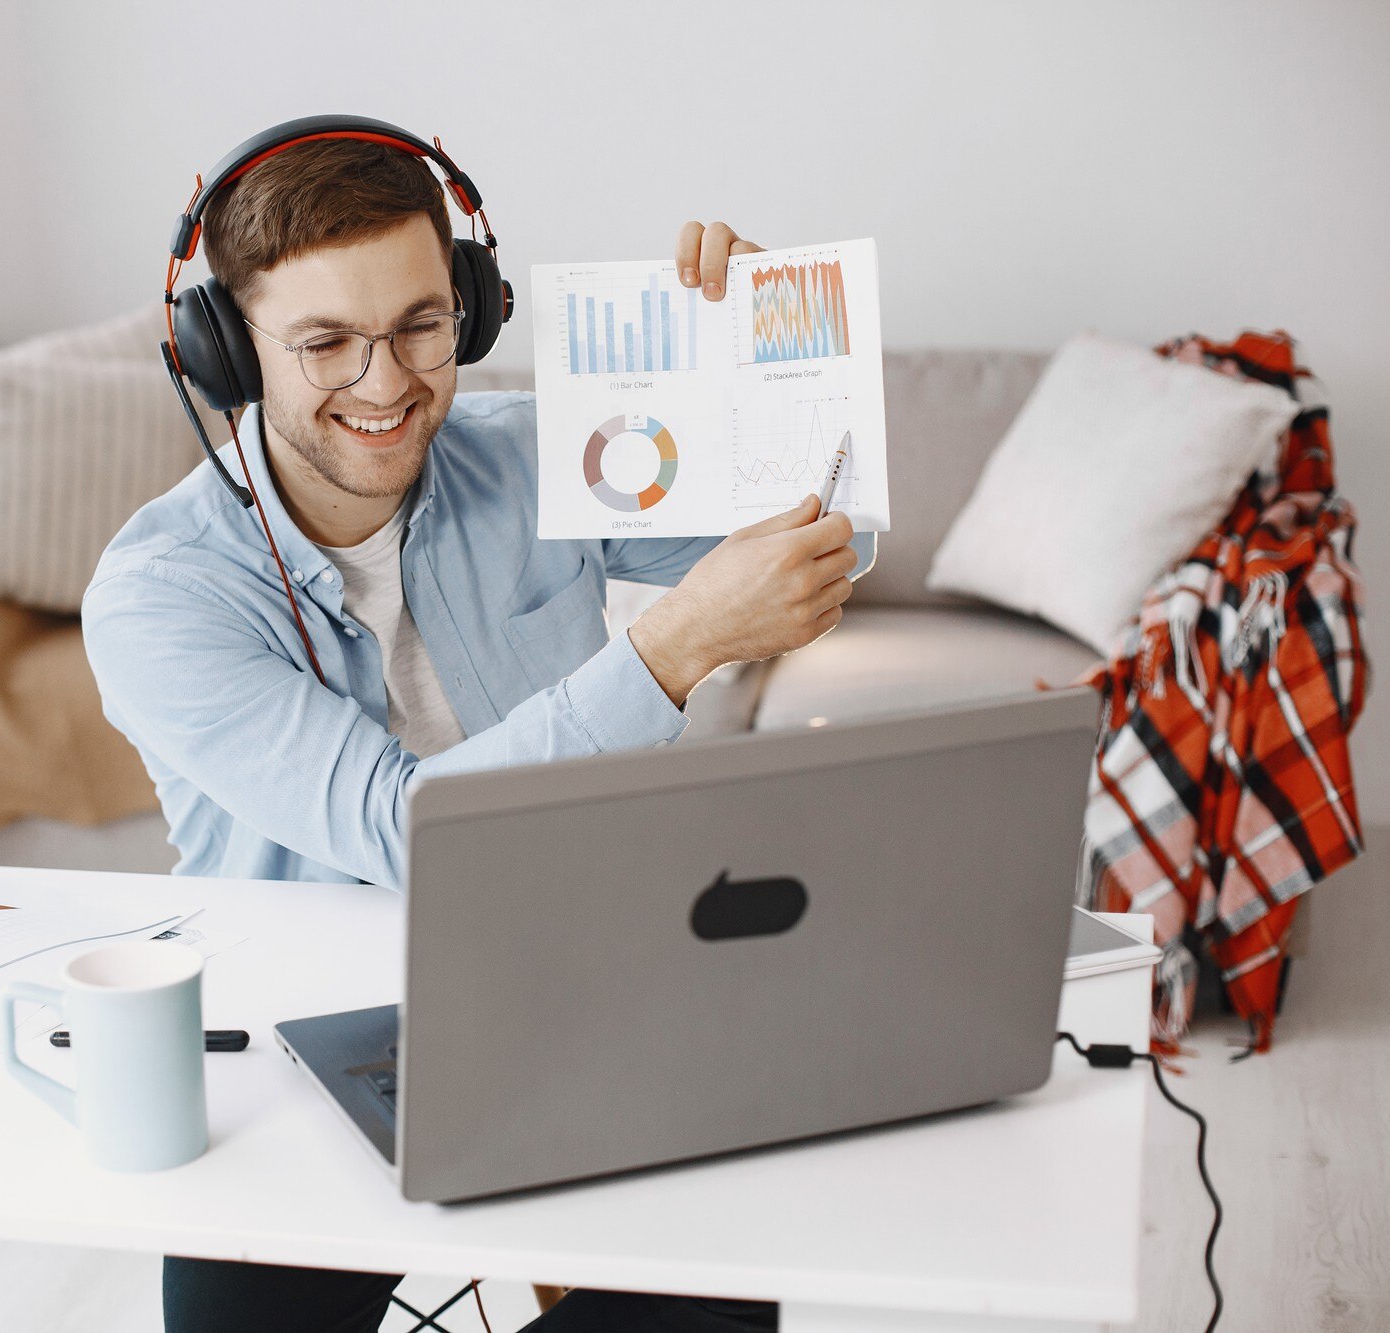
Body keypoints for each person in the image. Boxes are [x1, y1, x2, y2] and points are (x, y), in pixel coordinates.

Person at [83, 128, 854, 1333]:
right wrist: (666, 652)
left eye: (419, 324)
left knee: (717, 1293)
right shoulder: (156, 595)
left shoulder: (537, 453)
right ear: (225, 350)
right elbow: (409, 826)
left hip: (576, 986)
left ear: (473, 310)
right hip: (295, 1046)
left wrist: (775, 363)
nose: (387, 383)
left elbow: (824, 549)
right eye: (325, 342)